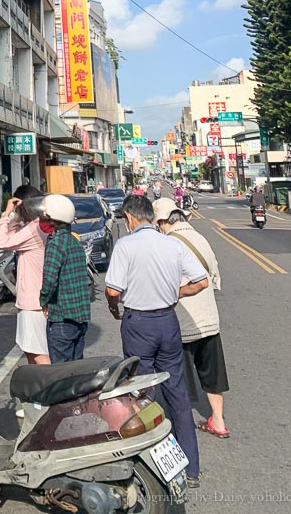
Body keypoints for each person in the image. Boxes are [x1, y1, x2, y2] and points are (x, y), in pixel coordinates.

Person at [104, 194, 209, 488]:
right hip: (167, 321)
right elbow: (201, 281)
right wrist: (177, 295)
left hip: (138, 323)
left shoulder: (126, 245)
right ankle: (191, 467)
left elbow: (113, 291)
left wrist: (115, 310)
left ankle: (153, 463)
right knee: (177, 391)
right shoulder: (172, 243)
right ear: (150, 215)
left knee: (144, 393)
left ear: (128, 218)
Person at [152, 198, 230, 439]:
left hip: (182, 323)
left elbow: (163, 284)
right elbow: (215, 276)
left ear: (163, 222)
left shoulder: (168, 244)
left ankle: (181, 429)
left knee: (180, 379)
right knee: (212, 373)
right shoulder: (200, 238)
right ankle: (218, 420)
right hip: (208, 319)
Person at [0, 185, 49, 367]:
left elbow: (2, 242)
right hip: (34, 300)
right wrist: (16, 218)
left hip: (33, 302)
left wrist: (7, 215)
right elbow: (14, 238)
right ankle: (40, 391)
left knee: (38, 355)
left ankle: (50, 391)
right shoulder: (42, 225)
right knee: (31, 352)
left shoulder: (35, 229)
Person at [39, 194, 91, 363]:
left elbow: (49, 281)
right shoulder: (74, 242)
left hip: (62, 318)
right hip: (80, 319)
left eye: (46, 217)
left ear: (53, 219)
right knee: (76, 373)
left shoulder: (55, 244)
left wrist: (43, 301)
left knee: (61, 376)